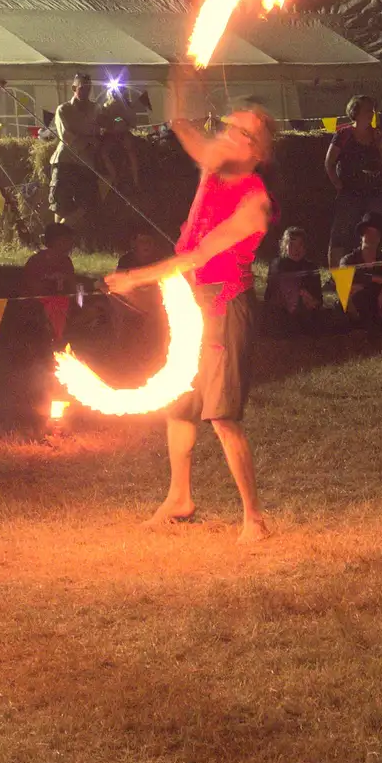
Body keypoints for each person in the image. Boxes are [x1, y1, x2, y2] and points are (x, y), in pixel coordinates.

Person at [105, 107, 276, 542]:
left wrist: (136, 277)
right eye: (225, 127)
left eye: (236, 131)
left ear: (256, 151)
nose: (224, 135)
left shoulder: (255, 203)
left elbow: (200, 254)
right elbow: (191, 136)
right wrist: (178, 106)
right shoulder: (213, 170)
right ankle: (179, 497)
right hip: (192, 300)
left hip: (224, 303)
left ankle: (253, 518)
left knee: (221, 414)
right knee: (181, 401)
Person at [324, 95, 382, 266]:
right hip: (350, 193)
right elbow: (329, 162)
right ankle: (336, 277)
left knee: (374, 232)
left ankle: (371, 271)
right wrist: (338, 185)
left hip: (374, 192)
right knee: (341, 233)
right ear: (355, 112)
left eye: (372, 110)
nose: (371, 114)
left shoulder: (376, 134)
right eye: (367, 110)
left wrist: (380, 145)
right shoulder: (344, 134)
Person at [49, 73, 102, 227]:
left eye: (88, 88)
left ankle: (59, 237)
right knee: (60, 206)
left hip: (86, 164)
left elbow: (105, 125)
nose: (86, 92)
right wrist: (89, 140)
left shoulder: (96, 108)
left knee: (86, 204)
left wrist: (118, 121)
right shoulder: (63, 109)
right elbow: (66, 136)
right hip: (66, 161)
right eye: (82, 88)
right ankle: (57, 240)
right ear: (74, 88)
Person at [339, 212, 382, 330]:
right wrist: (379, 280)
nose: (372, 237)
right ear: (362, 235)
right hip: (359, 305)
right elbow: (345, 276)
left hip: (380, 303)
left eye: (376, 234)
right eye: (368, 232)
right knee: (358, 297)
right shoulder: (349, 259)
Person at [263, 226, 324, 335]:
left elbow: (318, 299)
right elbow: (270, 295)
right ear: (285, 246)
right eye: (292, 245)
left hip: (304, 312)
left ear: (305, 247)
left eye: (300, 245)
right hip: (281, 311)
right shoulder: (278, 265)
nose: (296, 249)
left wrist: (310, 299)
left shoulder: (311, 268)